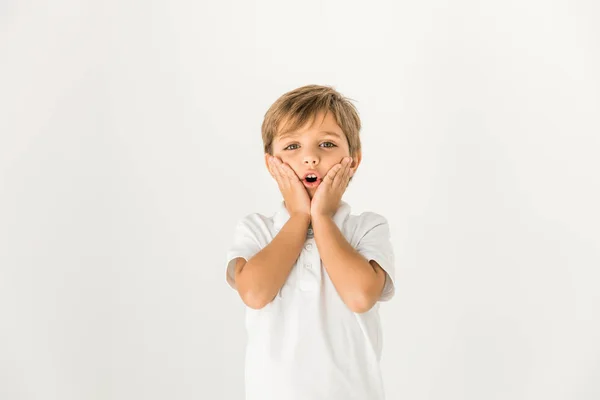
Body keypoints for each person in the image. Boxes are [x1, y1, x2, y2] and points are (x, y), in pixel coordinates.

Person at [225, 84, 396, 400]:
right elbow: (255, 292)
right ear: (271, 163)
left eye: (327, 144)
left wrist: (323, 219)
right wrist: (299, 218)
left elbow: (360, 296)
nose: (310, 158)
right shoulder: (256, 230)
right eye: (292, 147)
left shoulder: (366, 228)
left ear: (353, 161)